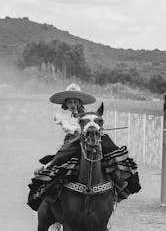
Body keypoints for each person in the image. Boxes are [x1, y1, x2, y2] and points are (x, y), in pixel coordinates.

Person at [27, 83, 140, 211]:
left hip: (89, 139)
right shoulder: (61, 116)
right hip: (72, 142)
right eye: (70, 102)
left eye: (75, 101)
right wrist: (80, 126)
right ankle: (47, 176)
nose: (73, 104)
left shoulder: (88, 115)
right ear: (65, 104)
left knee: (108, 148)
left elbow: (94, 123)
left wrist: (93, 127)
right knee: (61, 157)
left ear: (80, 103)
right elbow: (68, 127)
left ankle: (120, 181)